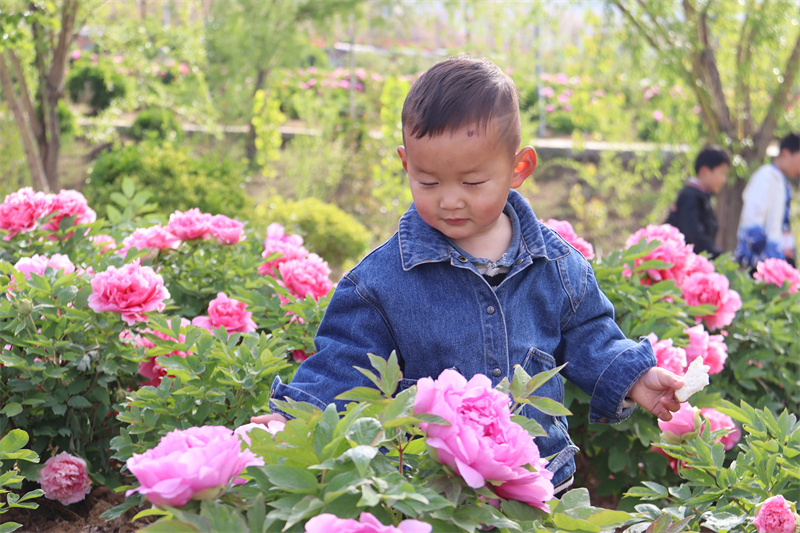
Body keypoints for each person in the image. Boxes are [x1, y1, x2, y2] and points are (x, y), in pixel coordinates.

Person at [252, 56, 683, 494]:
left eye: (472, 183)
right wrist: (295, 417)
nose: (450, 200)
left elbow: (591, 335)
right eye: (429, 182)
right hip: (436, 487)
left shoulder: (556, 267)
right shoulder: (381, 282)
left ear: (519, 168)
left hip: (540, 480)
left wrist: (634, 377)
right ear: (406, 164)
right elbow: (344, 361)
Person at [735, 133, 800, 268]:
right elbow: (752, 219)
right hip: (760, 262)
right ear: (785, 153)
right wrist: (763, 255)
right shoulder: (765, 176)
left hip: (776, 260)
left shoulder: (782, 181)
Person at [665, 145, 731, 258]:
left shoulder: (702, 196)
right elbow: (693, 236)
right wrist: (716, 255)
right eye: (722, 173)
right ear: (704, 171)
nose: (724, 180)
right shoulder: (690, 197)